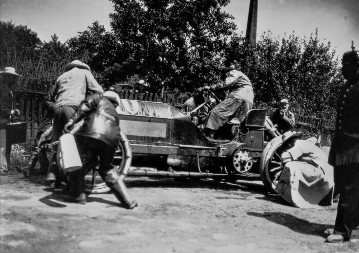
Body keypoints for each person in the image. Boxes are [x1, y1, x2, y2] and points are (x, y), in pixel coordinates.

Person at [63, 91, 137, 209]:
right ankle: (128, 201)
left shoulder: (99, 97)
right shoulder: (115, 115)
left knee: (76, 160)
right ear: (116, 104)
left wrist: (71, 121)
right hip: (112, 140)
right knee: (107, 168)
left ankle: (78, 195)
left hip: (91, 132)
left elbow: (85, 106)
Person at [44, 60, 103, 186]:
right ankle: (74, 185)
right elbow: (99, 91)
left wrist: (55, 107)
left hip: (58, 110)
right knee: (74, 146)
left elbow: (48, 98)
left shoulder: (61, 76)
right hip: (73, 109)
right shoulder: (85, 73)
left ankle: (53, 175)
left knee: (57, 143)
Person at [326, 50, 359, 243]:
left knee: (350, 189)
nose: (341, 69)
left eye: (346, 65)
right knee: (347, 187)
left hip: (356, 147)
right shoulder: (348, 86)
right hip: (344, 146)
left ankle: (342, 231)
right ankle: (350, 224)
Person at [276, 132, 334, 208]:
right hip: (326, 171)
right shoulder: (304, 143)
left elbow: (284, 157)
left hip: (323, 173)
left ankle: (295, 197)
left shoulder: (299, 145)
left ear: (290, 143)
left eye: (287, 145)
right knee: (296, 164)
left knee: (291, 165)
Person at [201, 62, 254, 138]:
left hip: (238, 98)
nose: (226, 76)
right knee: (232, 120)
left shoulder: (234, 73)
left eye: (226, 74)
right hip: (247, 100)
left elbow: (226, 84)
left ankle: (208, 138)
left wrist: (211, 87)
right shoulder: (243, 77)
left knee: (215, 113)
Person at [0, 67, 21, 173]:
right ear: (5, 76)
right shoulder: (1, 88)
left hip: (6, 120)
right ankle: (2, 167)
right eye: (11, 77)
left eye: (14, 77)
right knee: (2, 144)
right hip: (1, 119)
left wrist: (14, 109)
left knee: (7, 144)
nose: (13, 79)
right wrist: (10, 112)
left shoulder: (10, 89)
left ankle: (6, 165)